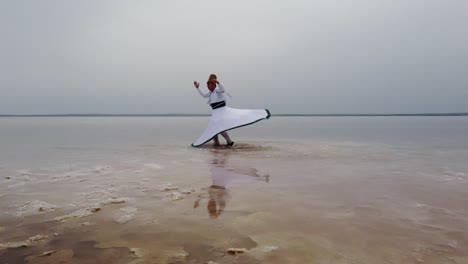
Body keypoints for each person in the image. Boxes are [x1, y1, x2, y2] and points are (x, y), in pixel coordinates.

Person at [192, 74, 270, 147]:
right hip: (215, 113)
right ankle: (216, 144)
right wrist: (197, 88)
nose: (209, 86)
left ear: (214, 84)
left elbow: (223, 89)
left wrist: (218, 82)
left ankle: (229, 141)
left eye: (211, 84)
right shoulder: (210, 93)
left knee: (219, 128)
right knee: (213, 129)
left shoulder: (217, 90)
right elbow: (203, 95)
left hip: (222, 112)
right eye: (208, 85)